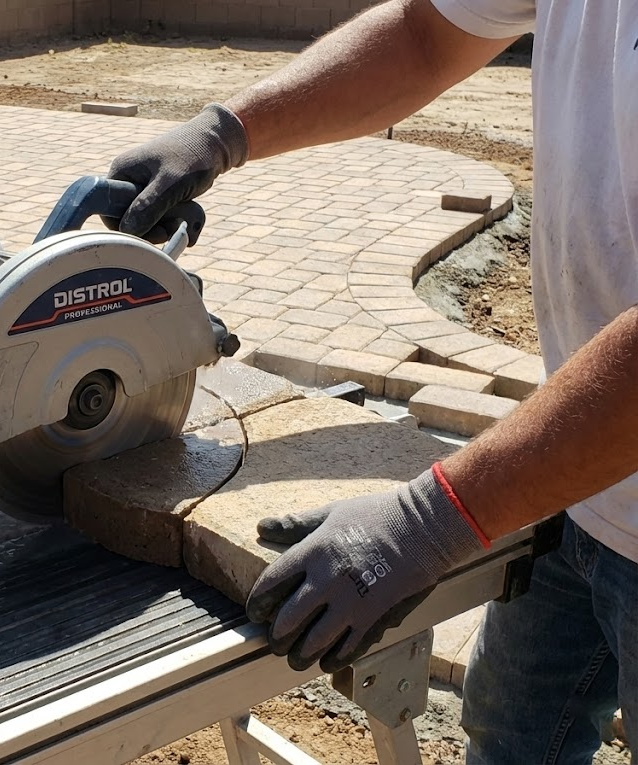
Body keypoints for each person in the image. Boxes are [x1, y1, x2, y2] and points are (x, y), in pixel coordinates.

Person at [104, 1, 638, 762]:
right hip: (577, 479)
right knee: (512, 736)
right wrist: (225, 132)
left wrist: (431, 519)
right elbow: (425, 37)